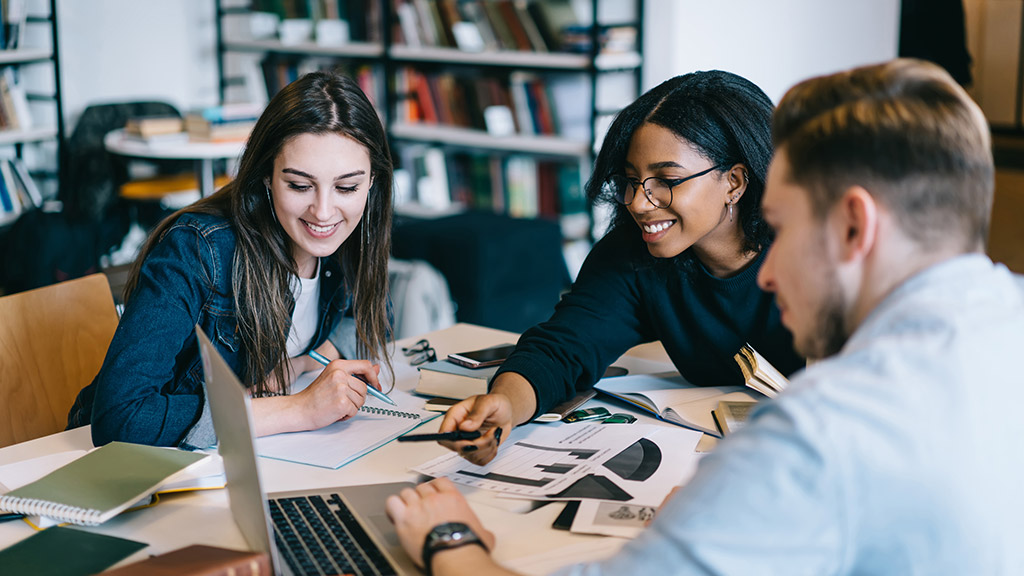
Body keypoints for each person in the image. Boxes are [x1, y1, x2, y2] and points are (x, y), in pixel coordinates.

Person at [385, 59, 1024, 574]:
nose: (769, 275)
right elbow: (570, 337)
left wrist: (450, 540)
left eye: (784, 226)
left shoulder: (816, 432)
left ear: (854, 224)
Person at [436, 71, 805, 463]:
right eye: (632, 180)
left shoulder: (815, 251)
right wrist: (505, 405)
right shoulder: (635, 252)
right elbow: (563, 349)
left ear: (734, 182)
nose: (639, 203)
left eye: (666, 179)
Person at [67, 71, 394, 449]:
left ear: (372, 181)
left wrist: (304, 362)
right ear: (267, 177)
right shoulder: (196, 250)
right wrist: (299, 409)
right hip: (139, 468)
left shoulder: (352, 236)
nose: (323, 212)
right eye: (300, 185)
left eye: (347, 187)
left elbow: (375, 316)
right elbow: (120, 419)